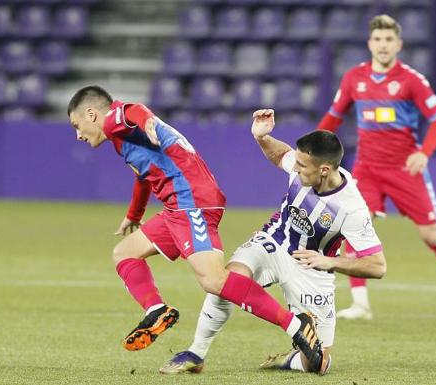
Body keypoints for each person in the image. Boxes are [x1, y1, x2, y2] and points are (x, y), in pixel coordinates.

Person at [67, 86, 325, 372]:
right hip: (176, 207)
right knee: (125, 253)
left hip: (192, 201)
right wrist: (134, 214)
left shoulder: (115, 118)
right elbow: (143, 177)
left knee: (214, 280)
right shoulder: (121, 140)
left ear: (91, 114)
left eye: (77, 126)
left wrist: (149, 121)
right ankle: (156, 311)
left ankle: (295, 324)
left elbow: (132, 111)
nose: (78, 134)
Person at [159, 109, 386, 375]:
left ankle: (288, 360)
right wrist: (262, 138)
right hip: (274, 242)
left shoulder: (351, 208)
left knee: (319, 364)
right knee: (225, 281)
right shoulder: (303, 166)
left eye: (302, 166)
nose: (295, 168)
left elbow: (377, 266)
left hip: (312, 267)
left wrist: (329, 261)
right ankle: (196, 353)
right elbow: (281, 154)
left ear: (324, 170)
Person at [317, 14, 436, 320]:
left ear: (398, 44)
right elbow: (333, 118)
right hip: (367, 169)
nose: (383, 45)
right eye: (377, 39)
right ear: (369, 43)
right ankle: (360, 304)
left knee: (433, 236)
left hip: (404, 170)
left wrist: (424, 152)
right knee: (352, 228)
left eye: (388, 40)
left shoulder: (411, 80)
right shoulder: (353, 79)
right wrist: (312, 149)